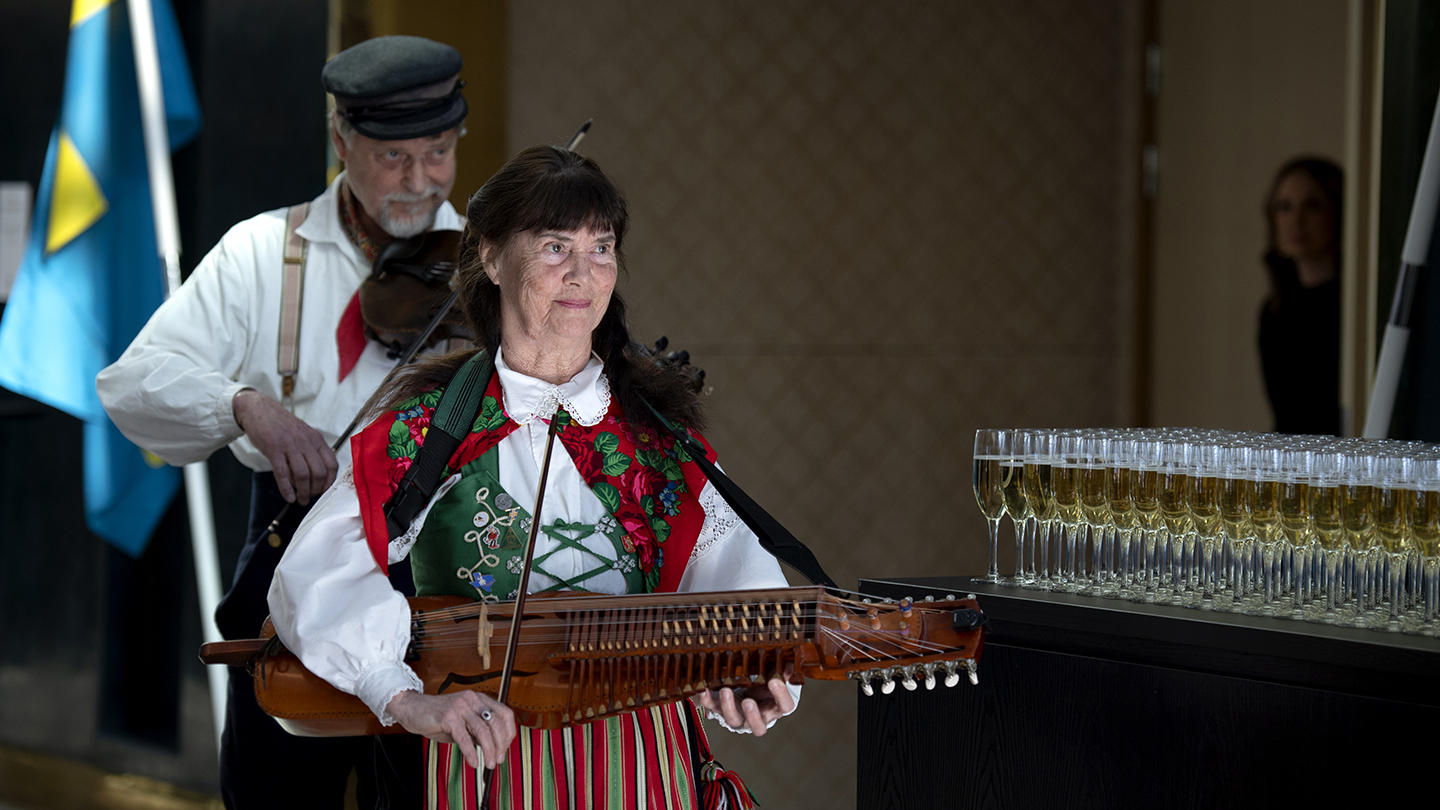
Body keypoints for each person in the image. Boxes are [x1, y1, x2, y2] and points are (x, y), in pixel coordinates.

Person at [268, 145, 800, 809]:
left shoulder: (658, 443)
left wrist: (752, 675)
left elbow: (741, 588)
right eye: (555, 246)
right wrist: (401, 697)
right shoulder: (431, 432)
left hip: (641, 771)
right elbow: (312, 574)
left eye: (601, 247)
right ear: (491, 256)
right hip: (483, 768)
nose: (584, 272)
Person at [97, 35, 470, 809]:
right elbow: (131, 382)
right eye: (393, 158)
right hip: (290, 564)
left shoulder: (488, 267)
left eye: (438, 154)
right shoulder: (263, 252)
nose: (421, 182)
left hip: (441, 585)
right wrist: (244, 405)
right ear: (340, 140)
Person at [1257, 157, 1344, 436]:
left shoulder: (1353, 306)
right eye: (1285, 207)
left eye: (1312, 206)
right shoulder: (1273, 312)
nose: (1296, 221)